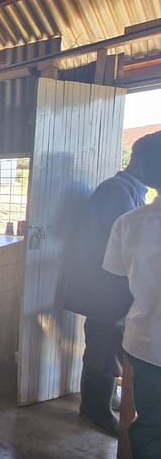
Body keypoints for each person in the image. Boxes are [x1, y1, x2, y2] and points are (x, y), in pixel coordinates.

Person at [58, 131, 161, 436]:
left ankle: (105, 399)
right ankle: (94, 408)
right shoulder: (117, 191)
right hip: (105, 288)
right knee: (102, 347)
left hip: (111, 287)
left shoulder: (130, 190)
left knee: (107, 348)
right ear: (141, 162)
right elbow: (123, 248)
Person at [102, 130, 161, 459]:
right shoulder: (118, 196)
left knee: (151, 428)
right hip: (146, 345)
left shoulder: (130, 223)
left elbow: (114, 279)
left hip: (147, 345)